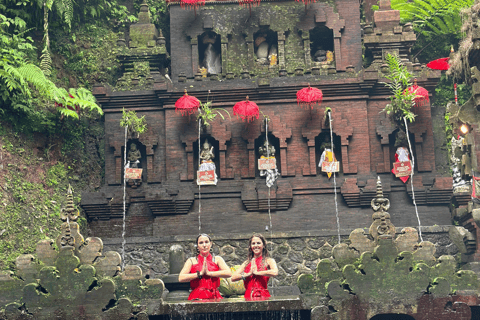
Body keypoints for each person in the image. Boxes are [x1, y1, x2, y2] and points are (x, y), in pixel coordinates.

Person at [179, 234, 232, 300]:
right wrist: (200, 273)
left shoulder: (217, 259)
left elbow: (229, 273)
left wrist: (209, 273)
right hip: (197, 296)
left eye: (206, 242)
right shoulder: (191, 261)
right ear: (197, 246)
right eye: (201, 243)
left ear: (211, 244)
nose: (204, 245)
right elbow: (181, 278)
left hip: (214, 296)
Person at [231, 234, 278, 300]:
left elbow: (275, 272)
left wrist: (257, 273)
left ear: (263, 245)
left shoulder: (269, 260)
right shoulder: (246, 263)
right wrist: (248, 274)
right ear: (250, 246)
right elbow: (233, 277)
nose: (256, 246)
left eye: (258, 243)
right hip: (248, 296)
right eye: (253, 243)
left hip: (263, 295)